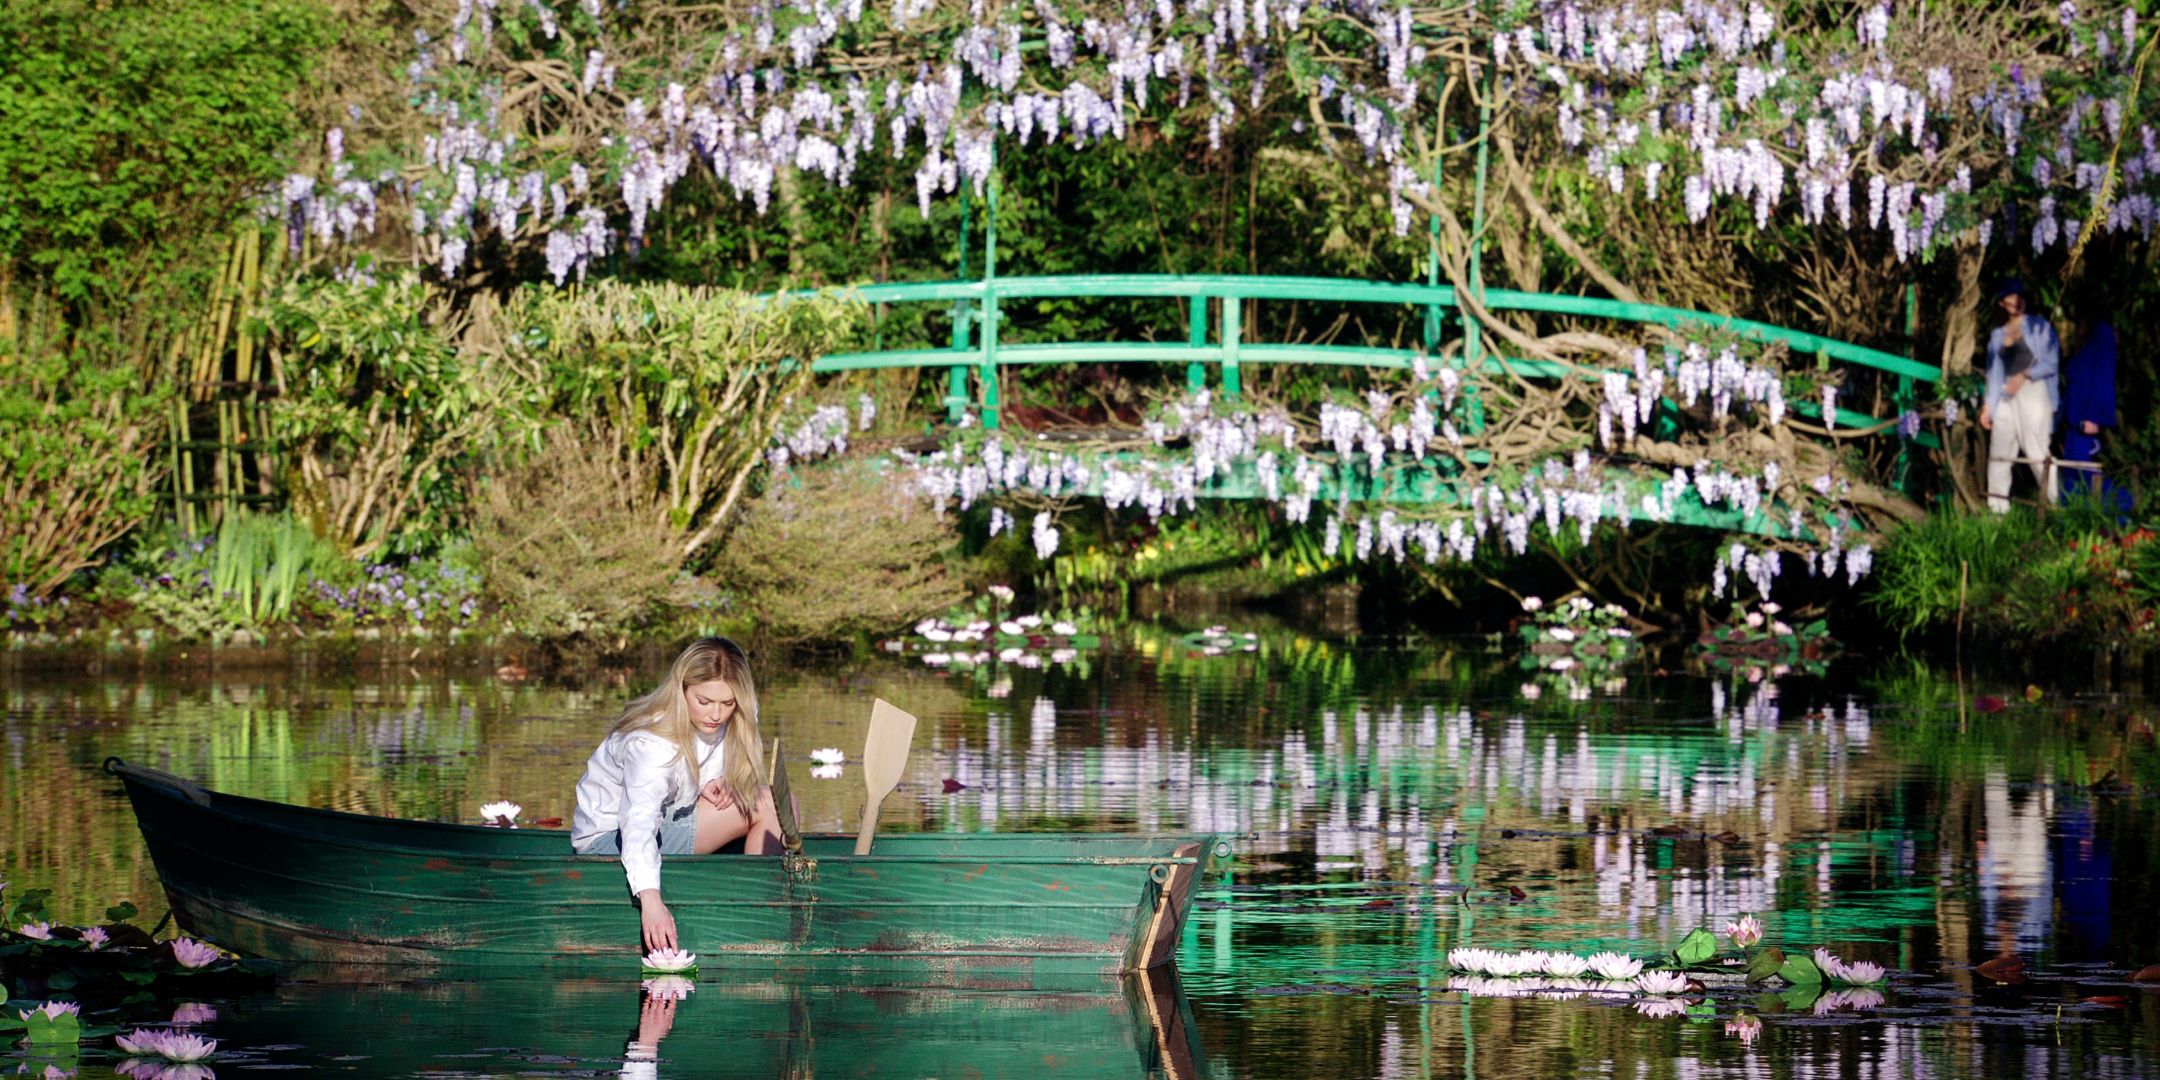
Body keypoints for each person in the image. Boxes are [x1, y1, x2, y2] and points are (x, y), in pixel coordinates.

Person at [572, 637, 784, 952]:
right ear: (681, 689)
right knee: (770, 804)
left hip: (668, 818)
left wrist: (710, 782)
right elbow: (639, 821)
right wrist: (651, 900)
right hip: (608, 840)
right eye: (704, 701)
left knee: (778, 802)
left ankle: (760, 901)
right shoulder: (650, 743)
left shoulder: (728, 717)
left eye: (727, 703)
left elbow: (688, 772)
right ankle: (757, 913)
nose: (716, 714)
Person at [1978, 279, 2061, 512]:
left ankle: (2056, 508)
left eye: (2019, 296)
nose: (2016, 301)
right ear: (2002, 302)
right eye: (2010, 297)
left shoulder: (2039, 326)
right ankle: (1997, 512)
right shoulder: (1997, 335)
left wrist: (2024, 375)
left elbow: (2052, 362)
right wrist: (1988, 407)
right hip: (2005, 395)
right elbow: (1994, 374)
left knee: (2036, 450)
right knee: (1999, 453)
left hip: (2033, 391)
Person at [2060, 316, 2122, 505]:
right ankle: (2074, 518)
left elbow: (2104, 376)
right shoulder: (2084, 340)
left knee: (2086, 471)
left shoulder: (2102, 333)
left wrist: (2094, 416)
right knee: (2072, 471)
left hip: (2087, 420)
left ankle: (2121, 513)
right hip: (2074, 420)